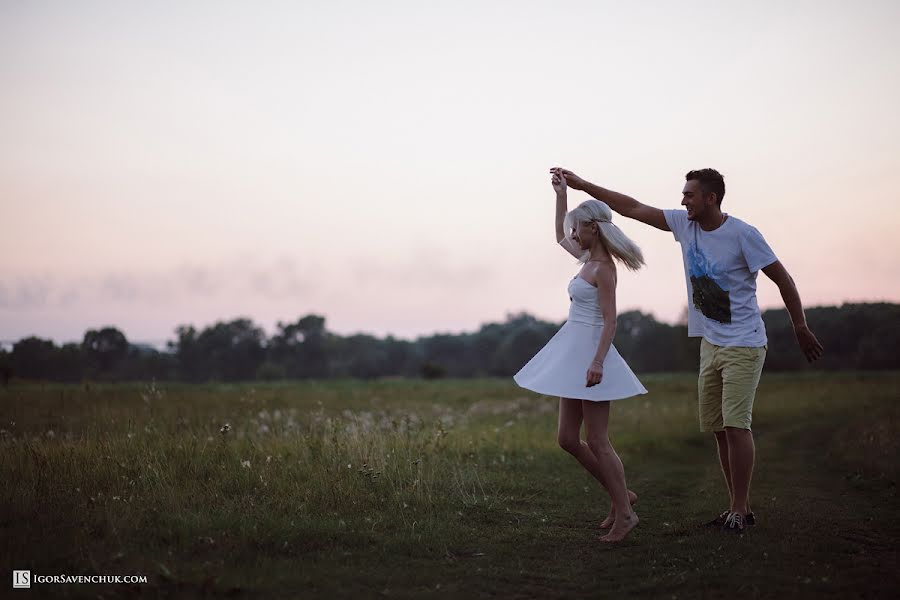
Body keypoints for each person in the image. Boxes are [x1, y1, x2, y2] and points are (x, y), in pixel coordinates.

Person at [550, 166, 824, 533]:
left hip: (744, 342)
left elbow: (783, 278)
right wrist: (581, 184)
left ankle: (740, 509)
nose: (683, 200)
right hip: (710, 342)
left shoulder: (743, 234)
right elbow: (632, 208)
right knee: (718, 429)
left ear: (710, 198)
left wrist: (800, 326)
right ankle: (732, 507)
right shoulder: (685, 225)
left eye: (689, 195)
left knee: (736, 424)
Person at [513, 170, 648, 543]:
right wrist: (561, 195)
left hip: (591, 356)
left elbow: (610, 320)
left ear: (594, 228)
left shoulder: (604, 270)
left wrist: (598, 362)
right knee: (567, 439)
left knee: (599, 440)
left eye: (578, 228)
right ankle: (622, 495)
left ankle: (625, 513)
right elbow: (558, 236)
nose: (573, 234)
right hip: (571, 352)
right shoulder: (586, 260)